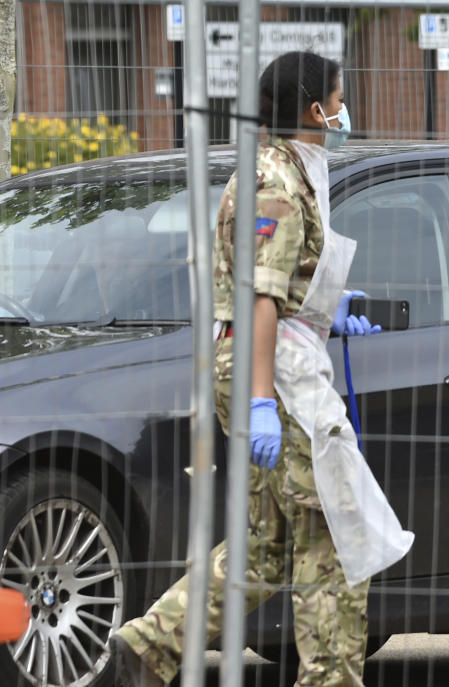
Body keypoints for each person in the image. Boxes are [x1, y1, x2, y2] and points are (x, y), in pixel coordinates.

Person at [111, 51, 412, 687]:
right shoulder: (276, 182)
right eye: (337, 98)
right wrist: (260, 402)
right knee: (331, 531)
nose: (342, 110)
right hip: (272, 372)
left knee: (266, 545)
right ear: (314, 110)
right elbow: (258, 298)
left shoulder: (286, 171)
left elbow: (278, 287)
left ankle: (149, 644)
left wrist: (327, 309)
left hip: (267, 360)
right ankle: (330, 678)